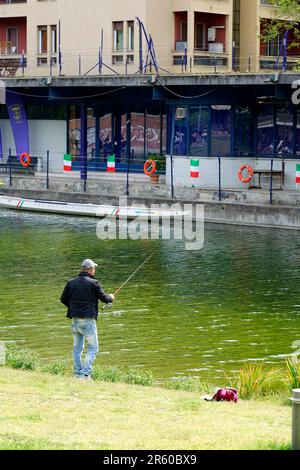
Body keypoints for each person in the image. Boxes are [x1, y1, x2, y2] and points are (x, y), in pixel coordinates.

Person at [61, 259, 114, 380]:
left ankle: (77, 373)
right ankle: (85, 374)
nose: (94, 270)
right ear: (90, 270)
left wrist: (74, 308)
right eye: (94, 268)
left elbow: (63, 299)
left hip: (74, 320)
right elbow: (105, 298)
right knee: (93, 348)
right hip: (88, 321)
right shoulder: (94, 283)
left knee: (77, 348)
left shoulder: (71, 283)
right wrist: (111, 297)